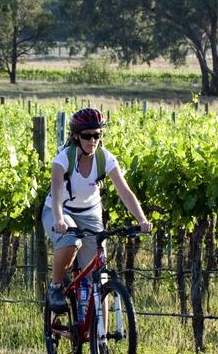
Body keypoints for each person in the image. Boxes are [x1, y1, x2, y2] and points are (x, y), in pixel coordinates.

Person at [42, 107, 152, 314]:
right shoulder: (63, 159)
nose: (93, 140)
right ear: (76, 136)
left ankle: (100, 342)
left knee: (98, 280)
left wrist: (142, 219)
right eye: (87, 136)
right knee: (70, 242)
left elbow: (125, 192)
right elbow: (56, 194)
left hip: (90, 213)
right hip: (59, 210)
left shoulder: (105, 158)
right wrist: (59, 220)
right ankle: (56, 287)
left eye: (97, 135)